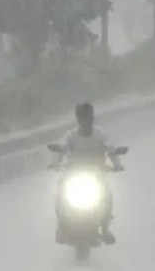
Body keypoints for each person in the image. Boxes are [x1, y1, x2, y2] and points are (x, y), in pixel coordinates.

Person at [53, 102, 122, 244]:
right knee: (60, 193)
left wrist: (117, 164)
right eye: (82, 118)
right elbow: (62, 148)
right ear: (78, 119)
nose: (85, 121)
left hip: (96, 175)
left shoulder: (101, 135)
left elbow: (111, 149)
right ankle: (61, 224)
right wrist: (55, 162)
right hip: (73, 174)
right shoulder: (70, 135)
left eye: (88, 117)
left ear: (92, 118)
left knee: (107, 194)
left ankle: (105, 227)